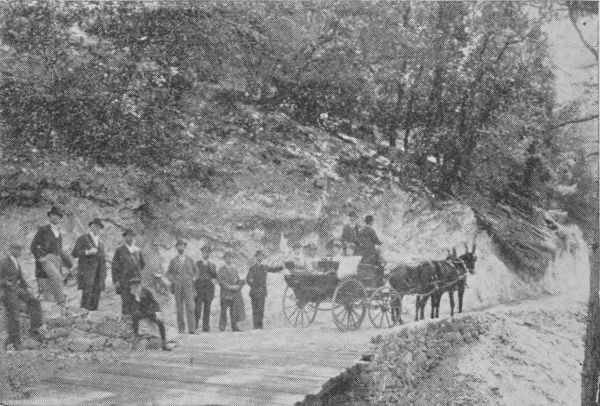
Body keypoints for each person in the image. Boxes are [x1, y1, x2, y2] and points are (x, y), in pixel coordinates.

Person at [30, 206, 73, 316]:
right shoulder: (43, 229)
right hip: (46, 258)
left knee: (50, 293)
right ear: (49, 216)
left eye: (57, 216)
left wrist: (68, 264)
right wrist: (41, 257)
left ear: (60, 218)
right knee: (56, 277)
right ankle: (62, 302)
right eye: (52, 215)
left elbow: (59, 250)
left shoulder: (59, 233)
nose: (55, 217)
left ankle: (58, 306)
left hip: (56, 260)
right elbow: (34, 245)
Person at [1, 243, 44, 350]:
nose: (18, 252)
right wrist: (5, 282)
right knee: (14, 313)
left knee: (34, 301)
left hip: (17, 289)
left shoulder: (17, 263)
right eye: (16, 249)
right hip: (6, 291)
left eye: (19, 250)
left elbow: (21, 279)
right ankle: (15, 341)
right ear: (10, 249)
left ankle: (34, 329)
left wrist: (28, 289)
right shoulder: (3, 262)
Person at [71, 218, 106, 311]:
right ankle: (83, 314)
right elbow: (74, 253)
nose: (97, 229)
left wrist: (104, 274)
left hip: (99, 272)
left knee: (96, 294)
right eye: (94, 226)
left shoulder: (101, 243)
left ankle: (93, 316)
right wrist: (87, 252)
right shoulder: (82, 238)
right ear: (90, 227)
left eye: (99, 227)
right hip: (87, 271)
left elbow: (102, 260)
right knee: (87, 293)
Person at [130, 275, 172, 351]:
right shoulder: (133, 295)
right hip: (141, 312)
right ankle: (136, 335)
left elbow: (155, 303)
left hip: (150, 311)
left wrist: (157, 312)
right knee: (135, 315)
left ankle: (164, 343)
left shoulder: (146, 291)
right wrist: (136, 299)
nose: (134, 288)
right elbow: (133, 308)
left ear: (139, 285)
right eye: (133, 286)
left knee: (160, 322)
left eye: (136, 286)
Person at [111, 229, 144, 320]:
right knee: (126, 300)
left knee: (136, 300)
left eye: (132, 236)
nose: (130, 238)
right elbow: (114, 266)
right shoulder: (119, 250)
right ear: (124, 237)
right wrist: (116, 280)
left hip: (136, 279)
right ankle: (126, 323)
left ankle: (135, 323)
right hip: (124, 280)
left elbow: (142, 264)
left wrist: (135, 270)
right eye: (128, 236)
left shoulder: (137, 250)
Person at [166, 239, 197, 334]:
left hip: (188, 287)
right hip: (178, 287)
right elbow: (168, 273)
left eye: (182, 246)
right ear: (176, 248)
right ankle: (181, 329)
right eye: (179, 246)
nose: (181, 247)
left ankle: (192, 329)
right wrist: (173, 281)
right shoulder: (173, 260)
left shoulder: (190, 260)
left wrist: (193, 279)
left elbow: (196, 272)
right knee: (179, 309)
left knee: (190, 308)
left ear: (185, 247)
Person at [246, 250, 283, 329]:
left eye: (261, 256)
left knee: (261, 309)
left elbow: (274, 269)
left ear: (262, 258)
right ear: (256, 257)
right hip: (254, 291)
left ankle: (260, 326)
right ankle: (255, 326)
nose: (260, 257)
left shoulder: (264, 267)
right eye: (258, 256)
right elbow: (248, 279)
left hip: (262, 291)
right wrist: (254, 286)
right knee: (255, 309)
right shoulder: (252, 268)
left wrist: (282, 267)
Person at [217, 251, 244, 332]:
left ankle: (234, 327)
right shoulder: (221, 269)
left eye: (230, 258)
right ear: (224, 259)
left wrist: (240, 283)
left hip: (233, 294)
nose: (229, 259)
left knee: (234, 311)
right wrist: (229, 287)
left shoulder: (234, 269)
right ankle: (222, 326)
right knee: (223, 311)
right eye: (227, 258)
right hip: (225, 294)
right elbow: (220, 281)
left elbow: (237, 280)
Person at [194, 244, 217, 332]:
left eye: (208, 252)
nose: (206, 254)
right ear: (202, 253)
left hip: (208, 291)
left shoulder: (212, 265)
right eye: (204, 252)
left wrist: (212, 289)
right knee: (197, 310)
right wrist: (194, 290)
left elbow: (215, 278)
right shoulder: (197, 264)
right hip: (199, 290)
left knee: (207, 309)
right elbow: (194, 277)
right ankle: (195, 326)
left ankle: (206, 328)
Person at [357, 215, 384, 285]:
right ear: (371, 222)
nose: (373, 223)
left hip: (362, 253)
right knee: (381, 265)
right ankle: (380, 282)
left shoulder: (361, 230)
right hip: (370, 252)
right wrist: (381, 243)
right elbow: (376, 241)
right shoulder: (371, 230)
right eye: (373, 221)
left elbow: (359, 240)